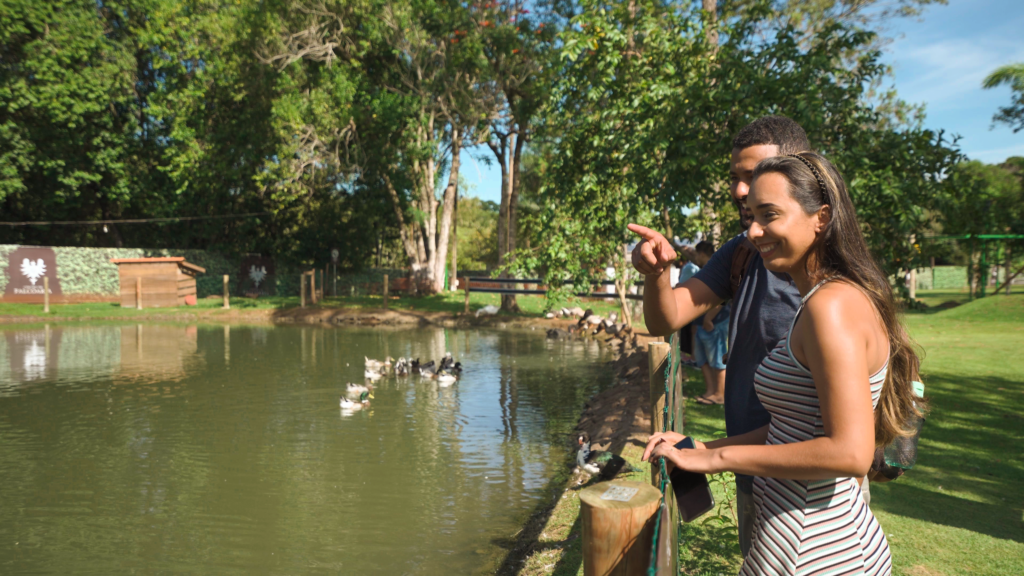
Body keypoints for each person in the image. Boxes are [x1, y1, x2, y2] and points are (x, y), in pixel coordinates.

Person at [642, 152, 925, 575]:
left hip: (810, 552)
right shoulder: (829, 297)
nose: (754, 231)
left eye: (770, 215)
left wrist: (715, 461)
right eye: (751, 215)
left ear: (821, 217)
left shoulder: (831, 307)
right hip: (809, 542)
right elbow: (795, 426)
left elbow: (849, 452)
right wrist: (704, 447)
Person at [628, 115, 809, 555]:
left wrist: (709, 452)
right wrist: (657, 273)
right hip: (752, 475)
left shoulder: (827, 283)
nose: (740, 191)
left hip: (810, 488)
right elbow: (665, 319)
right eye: (736, 178)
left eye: (754, 176)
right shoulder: (743, 251)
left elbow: (828, 436)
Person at [690, 241, 729, 405]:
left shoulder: (717, 269)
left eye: (696, 254)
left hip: (715, 322)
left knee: (718, 359)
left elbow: (723, 297)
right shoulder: (704, 270)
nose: (695, 258)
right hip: (702, 323)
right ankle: (710, 391)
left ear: (702, 253)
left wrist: (708, 318)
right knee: (703, 359)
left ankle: (720, 395)